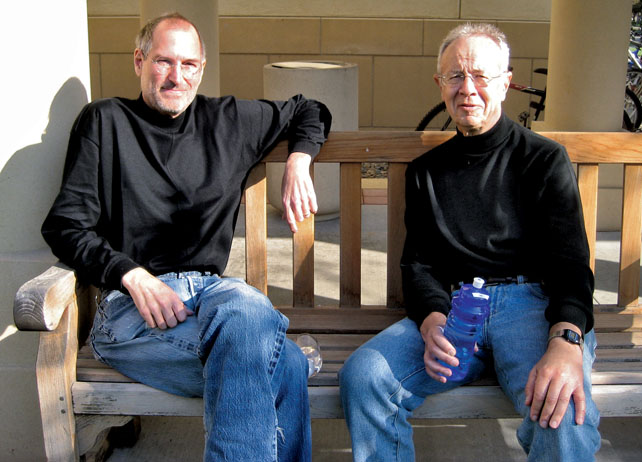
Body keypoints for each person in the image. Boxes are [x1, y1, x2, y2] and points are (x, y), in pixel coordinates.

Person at [41, 13, 331, 462]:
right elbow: (65, 225)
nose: (177, 77)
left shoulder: (229, 121)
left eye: (189, 65)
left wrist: (297, 163)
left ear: (202, 68)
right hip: (131, 313)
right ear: (139, 60)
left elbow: (310, 108)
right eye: (163, 62)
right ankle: (275, 344)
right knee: (285, 362)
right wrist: (131, 276)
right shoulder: (105, 121)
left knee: (244, 314)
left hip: (215, 299)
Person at [339, 23, 600, 461]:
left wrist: (566, 340)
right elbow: (419, 265)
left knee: (561, 409)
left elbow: (570, 262)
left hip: (532, 306)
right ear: (440, 84)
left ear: (505, 81)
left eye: (480, 75)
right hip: (458, 311)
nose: (468, 89)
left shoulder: (542, 159)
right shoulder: (426, 172)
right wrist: (431, 319)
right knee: (365, 376)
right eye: (455, 76)